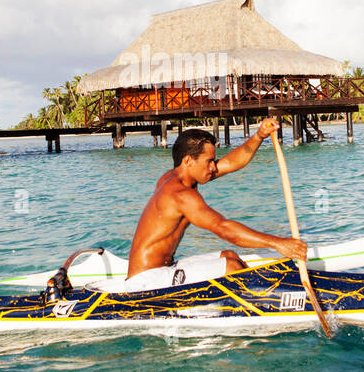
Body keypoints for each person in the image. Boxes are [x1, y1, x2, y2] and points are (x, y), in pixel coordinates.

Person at [126, 116, 307, 284]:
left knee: (230, 256)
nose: (214, 167)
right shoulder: (179, 194)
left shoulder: (179, 176)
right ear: (189, 161)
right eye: (209, 161)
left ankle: (263, 292)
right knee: (231, 266)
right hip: (147, 280)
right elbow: (224, 228)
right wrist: (279, 243)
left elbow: (231, 162)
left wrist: (260, 135)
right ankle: (265, 301)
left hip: (165, 268)